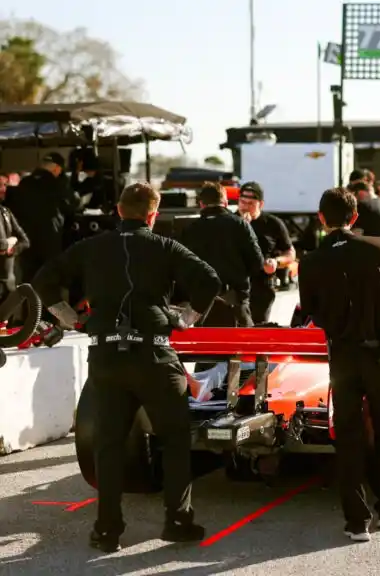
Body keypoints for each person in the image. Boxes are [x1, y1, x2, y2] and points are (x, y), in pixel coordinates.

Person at [31, 182, 221, 553]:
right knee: (176, 440)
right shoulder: (165, 246)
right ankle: (178, 522)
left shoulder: (91, 247)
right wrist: (187, 317)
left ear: (118, 211)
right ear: (153, 214)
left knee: (108, 446)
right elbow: (209, 280)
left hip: (107, 359)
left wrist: (70, 319)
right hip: (155, 357)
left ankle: (107, 531)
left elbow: (42, 281)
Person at [299, 187, 380, 542]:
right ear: (355, 217)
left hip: (342, 356)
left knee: (348, 436)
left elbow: (310, 311)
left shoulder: (311, 261)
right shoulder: (378, 247)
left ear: (321, 219)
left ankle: (356, 520)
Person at [180, 182, 264, 327]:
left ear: (201, 204)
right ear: (225, 202)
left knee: (205, 348)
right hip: (235, 304)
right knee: (240, 346)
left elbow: (182, 268)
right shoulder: (240, 225)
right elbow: (257, 263)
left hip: (201, 307)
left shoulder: (190, 230)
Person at [5, 152, 78, 286]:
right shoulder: (57, 184)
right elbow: (70, 208)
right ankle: (46, 307)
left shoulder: (24, 183)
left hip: (27, 239)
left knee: (28, 279)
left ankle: (30, 306)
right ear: (57, 169)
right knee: (49, 281)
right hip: (49, 239)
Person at [237, 182, 296, 323]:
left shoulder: (272, 223)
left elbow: (290, 253)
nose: (245, 207)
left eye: (251, 203)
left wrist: (277, 262)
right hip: (237, 286)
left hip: (262, 286)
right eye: (242, 202)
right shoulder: (232, 221)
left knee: (258, 327)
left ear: (260, 204)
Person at [0, 174, 30, 308]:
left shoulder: (6, 212)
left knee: (6, 326)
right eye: (0, 185)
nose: (3, 189)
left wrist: (11, 249)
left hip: (9, 283)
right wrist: (9, 242)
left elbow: (25, 241)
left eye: (5, 185)